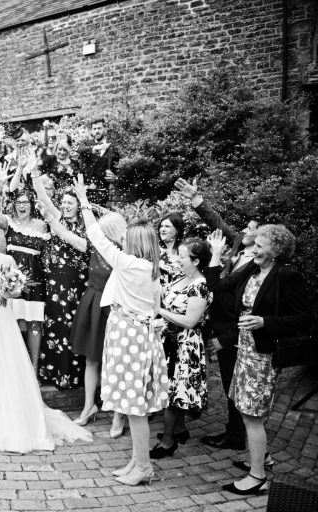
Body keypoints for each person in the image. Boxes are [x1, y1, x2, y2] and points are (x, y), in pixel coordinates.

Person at [71, 173, 169, 486]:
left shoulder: (129, 264)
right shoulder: (150, 269)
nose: (122, 239)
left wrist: (84, 202)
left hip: (129, 336)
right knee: (132, 406)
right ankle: (137, 461)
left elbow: (95, 237)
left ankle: (144, 468)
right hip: (137, 333)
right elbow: (154, 308)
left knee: (133, 407)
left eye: (127, 237)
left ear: (135, 243)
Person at [0, 224, 92, 452]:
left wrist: (9, 290)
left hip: (1, 319)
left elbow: (17, 292)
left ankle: (6, 414)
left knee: (4, 364)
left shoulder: (7, 260)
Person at [207, 226, 312, 495]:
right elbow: (217, 286)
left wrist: (265, 321)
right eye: (254, 244)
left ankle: (257, 478)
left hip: (263, 356)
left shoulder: (287, 276)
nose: (253, 249)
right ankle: (262, 457)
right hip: (244, 350)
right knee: (244, 407)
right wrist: (216, 255)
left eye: (260, 246)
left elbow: (304, 319)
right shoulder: (251, 269)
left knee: (251, 415)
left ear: (275, 252)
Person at [174, 178, 257, 451]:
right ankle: (234, 432)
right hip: (219, 325)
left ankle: (236, 437)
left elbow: (228, 295)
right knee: (229, 384)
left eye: (253, 228)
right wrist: (195, 199)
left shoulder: (256, 266)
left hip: (232, 332)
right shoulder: (239, 247)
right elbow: (216, 222)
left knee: (234, 385)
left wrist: (224, 337)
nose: (246, 228)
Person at [69, 213, 128, 438]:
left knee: (116, 361)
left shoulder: (125, 253)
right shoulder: (95, 247)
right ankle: (89, 406)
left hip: (115, 306)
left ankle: (117, 414)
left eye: (104, 231)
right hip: (94, 302)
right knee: (91, 359)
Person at [151, 238, 212, 459]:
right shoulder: (180, 277)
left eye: (183, 256)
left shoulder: (200, 286)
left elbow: (190, 321)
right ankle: (178, 430)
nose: (178, 259)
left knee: (173, 393)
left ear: (196, 261)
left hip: (185, 345)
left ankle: (168, 442)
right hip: (169, 341)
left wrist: (160, 311)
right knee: (172, 390)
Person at [33, 173, 89, 390]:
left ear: (78, 205)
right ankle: (52, 373)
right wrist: (34, 172)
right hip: (56, 281)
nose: (65, 206)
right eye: (63, 202)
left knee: (72, 326)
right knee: (54, 323)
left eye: (70, 203)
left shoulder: (86, 224)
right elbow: (43, 196)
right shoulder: (57, 217)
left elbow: (79, 244)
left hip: (78, 282)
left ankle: (72, 376)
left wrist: (51, 221)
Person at [0, 187, 47, 371]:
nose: (22, 206)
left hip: (35, 279)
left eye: (25, 202)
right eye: (18, 202)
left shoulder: (42, 224)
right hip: (10, 280)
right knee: (12, 321)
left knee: (34, 323)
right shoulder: (8, 223)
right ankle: (13, 367)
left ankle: (33, 369)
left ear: (32, 205)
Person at [76, 118, 118, 205]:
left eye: (99, 128)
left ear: (105, 129)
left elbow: (117, 169)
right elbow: (80, 150)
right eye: (94, 129)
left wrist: (115, 177)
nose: (97, 131)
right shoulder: (85, 144)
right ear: (91, 131)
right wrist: (95, 148)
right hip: (85, 191)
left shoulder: (112, 148)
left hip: (101, 192)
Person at [158, 212, 185, 286]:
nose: (163, 229)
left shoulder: (186, 251)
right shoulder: (156, 251)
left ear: (177, 230)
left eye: (167, 226)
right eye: (161, 226)